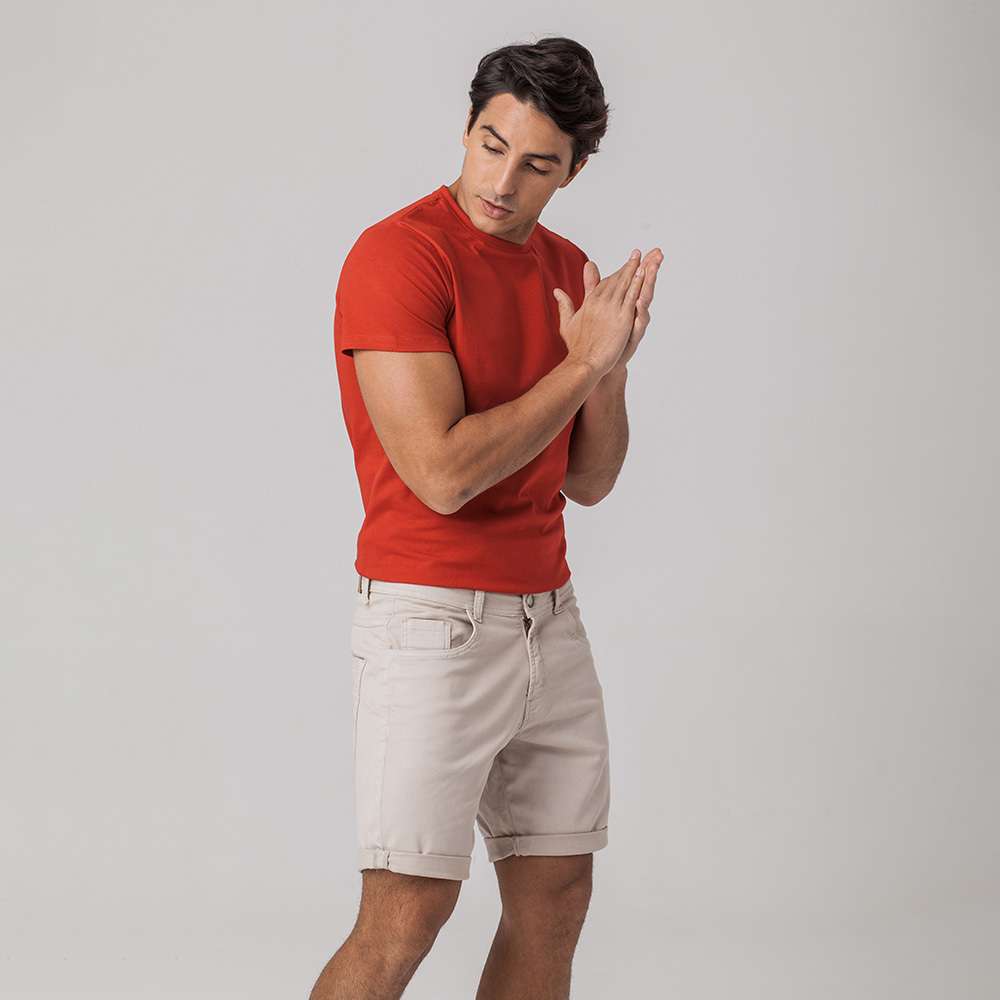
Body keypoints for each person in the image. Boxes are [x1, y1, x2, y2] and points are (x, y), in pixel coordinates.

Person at [310, 35, 662, 1000]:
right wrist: (580, 365)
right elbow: (441, 473)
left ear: (574, 171)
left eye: (538, 164)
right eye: (491, 145)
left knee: (556, 896)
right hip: (431, 619)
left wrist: (609, 369)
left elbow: (591, 480)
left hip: (550, 615)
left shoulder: (569, 268)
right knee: (407, 912)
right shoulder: (399, 255)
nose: (503, 182)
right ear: (467, 128)